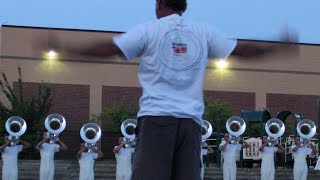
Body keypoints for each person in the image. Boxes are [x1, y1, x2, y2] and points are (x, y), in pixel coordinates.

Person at [37, 0, 297, 178]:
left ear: (160, 3)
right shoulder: (202, 31)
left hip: (157, 120)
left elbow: (112, 48)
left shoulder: (150, 30)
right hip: (190, 126)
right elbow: (240, 50)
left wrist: (69, 48)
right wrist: (274, 47)